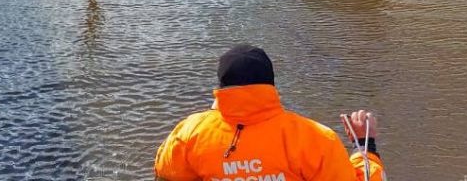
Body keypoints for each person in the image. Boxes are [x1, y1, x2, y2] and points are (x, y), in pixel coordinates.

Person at [154, 45, 386, 181]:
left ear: (221, 88)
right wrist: (365, 145)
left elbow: (165, 175)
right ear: (271, 85)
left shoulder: (190, 133)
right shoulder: (314, 138)